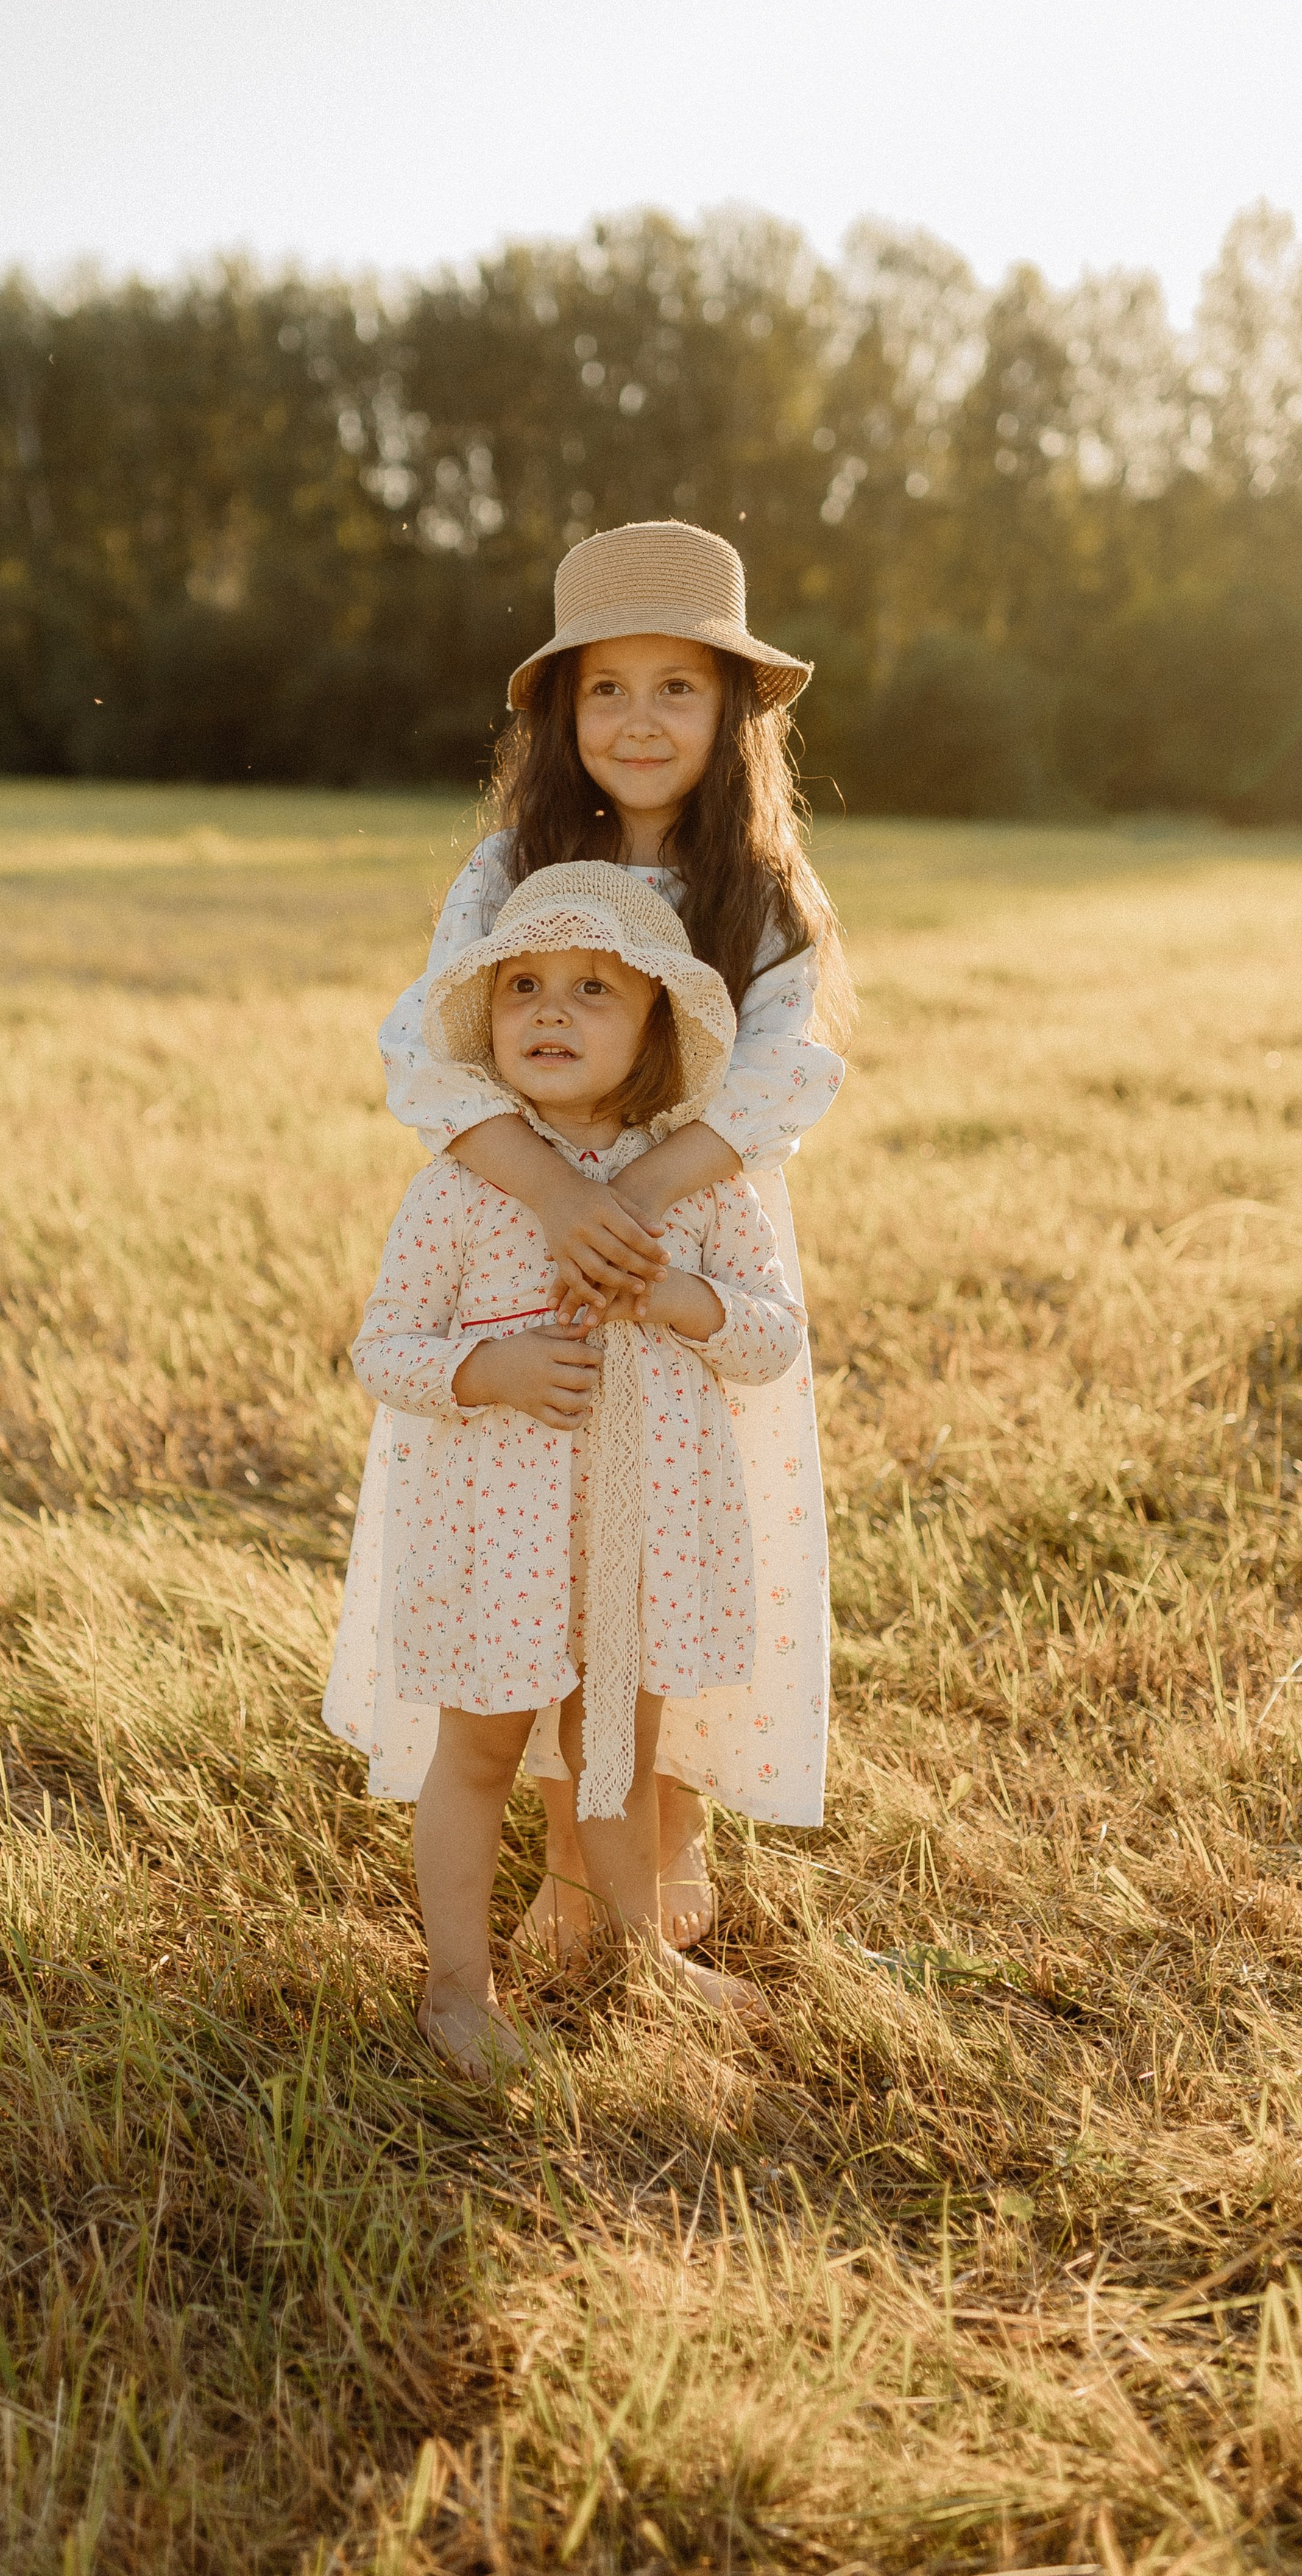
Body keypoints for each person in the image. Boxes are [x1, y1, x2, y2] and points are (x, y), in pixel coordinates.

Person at [328, 517, 849, 1953]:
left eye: (674, 687)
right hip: (519, 1239)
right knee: (536, 1562)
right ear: (561, 708)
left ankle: (655, 1868)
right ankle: (568, 1874)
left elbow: (783, 1077)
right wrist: (558, 1197)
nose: (636, 719)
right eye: (604, 687)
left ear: (730, 712)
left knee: (659, 1582)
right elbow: (424, 1055)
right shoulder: (509, 870)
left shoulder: (763, 890)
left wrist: (634, 1202)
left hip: (682, 1252)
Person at [335, 861, 806, 2074]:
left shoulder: (700, 1185)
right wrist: (491, 1373)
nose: (550, 1010)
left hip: (638, 1533)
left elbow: (771, 1333)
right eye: (524, 986)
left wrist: (680, 1295)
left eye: (592, 988)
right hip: (496, 1539)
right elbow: (382, 1350)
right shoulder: (465, 1185)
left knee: (620, 1752)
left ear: (656, 1022)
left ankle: (637, 1958)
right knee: (482, 1750)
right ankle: (455, 1989)